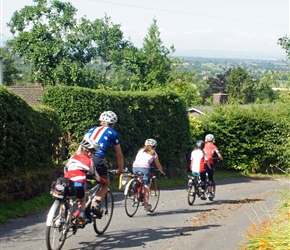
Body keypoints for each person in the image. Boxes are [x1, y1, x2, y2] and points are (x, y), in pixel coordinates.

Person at [82, 111, 124, 212]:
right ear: (113, 124)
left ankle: (81, 203)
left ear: (101, 121)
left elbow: (81, 146)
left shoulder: (91, 129)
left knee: (82, 180)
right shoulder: (112, 133)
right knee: (106, 183)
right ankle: (96, 201)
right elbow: (119, 155)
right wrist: (120, 169)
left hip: (82, 158)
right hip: (97, 160)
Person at [64, 138, 105, 222]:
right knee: (82, 199)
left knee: (66, 197)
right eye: (92, 153)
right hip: (78, 184)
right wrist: (102, 181)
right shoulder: (89, 161)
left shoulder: (73, 157)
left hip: (68, 181)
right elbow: (95, 175)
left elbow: (66, 168)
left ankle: (62, 216)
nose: (92, 155)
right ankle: (81, 213)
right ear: (89, 152)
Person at [132, 138, 165, 212]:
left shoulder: (140, 151)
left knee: (138, 179)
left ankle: (135, 193)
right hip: (145, 168)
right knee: (146, 186)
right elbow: (158, 164)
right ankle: (146, 205)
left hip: (135, 167)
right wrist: (161, 171)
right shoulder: (153, 153)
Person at [203, 134, 223, 198]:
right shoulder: (214, 147)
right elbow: (218, 154)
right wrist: (221, 159)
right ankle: (210, 192)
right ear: (212, 140)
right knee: (210, 178)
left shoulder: (203, 146)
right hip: (209, 163)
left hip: (201, 163)